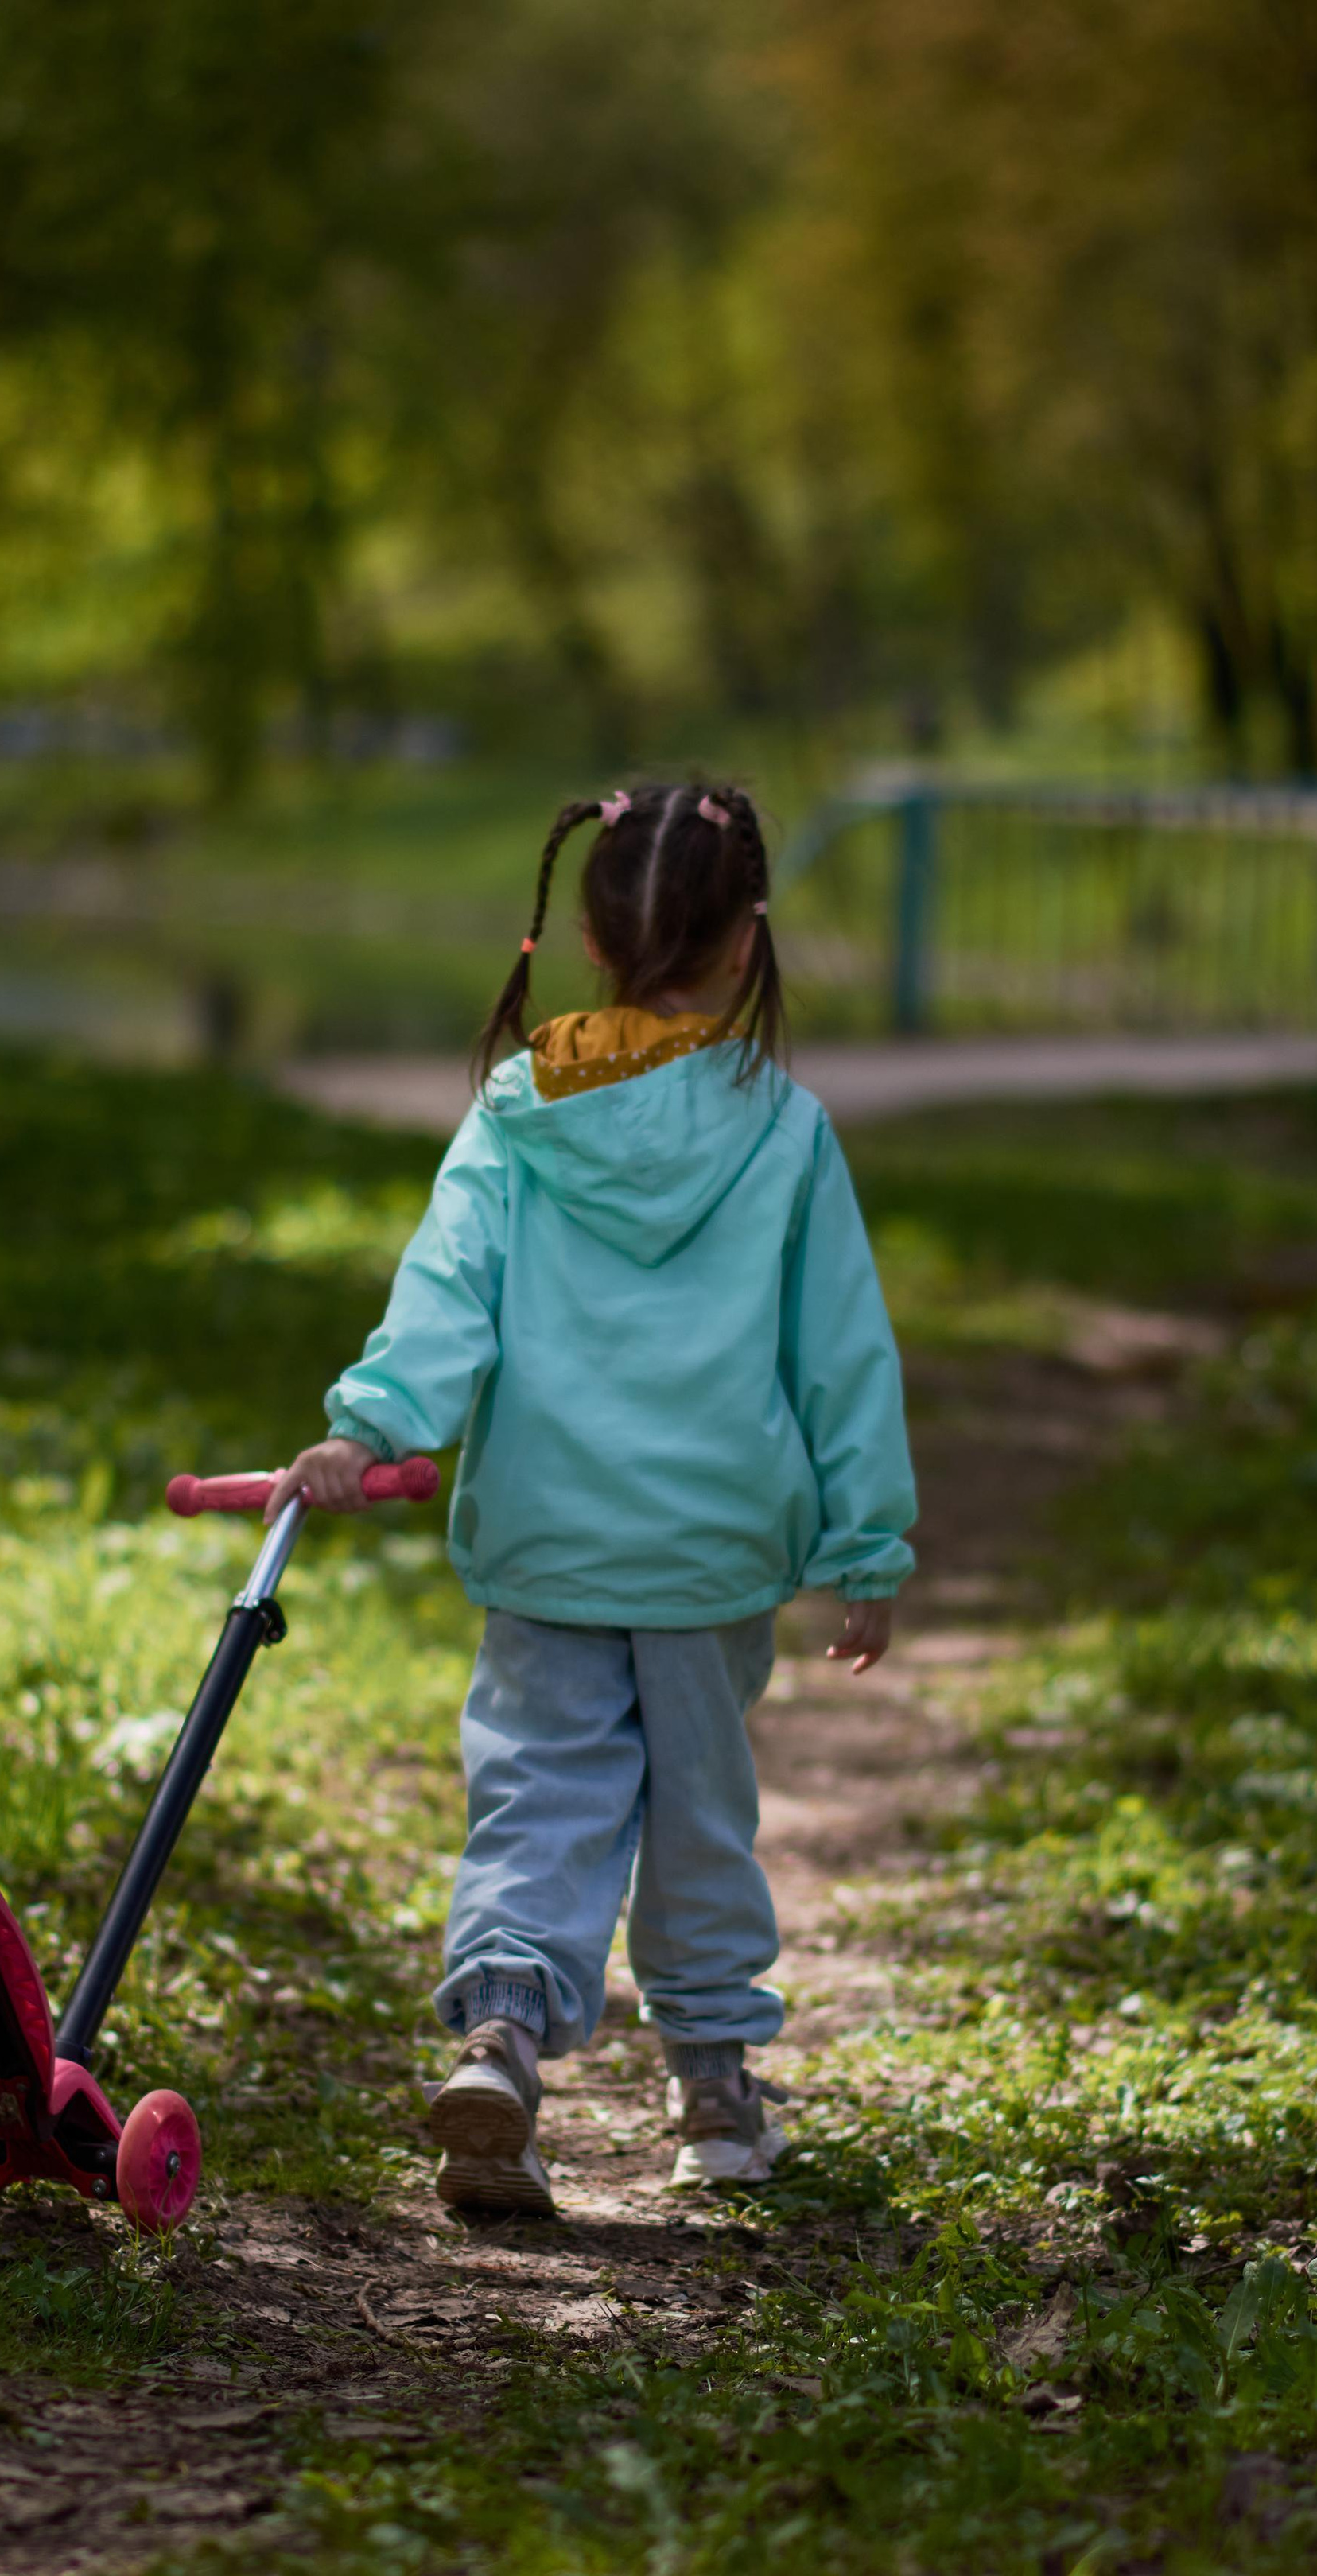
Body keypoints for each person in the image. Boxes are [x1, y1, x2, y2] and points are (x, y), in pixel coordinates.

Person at [264, 781, 915, 2211]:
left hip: (550, 1543)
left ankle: (501, 2039)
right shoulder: (782, 1129)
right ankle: (716, 2094)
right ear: (745, 942)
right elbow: (842, 1355)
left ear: (595, 939)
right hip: (708, 1551)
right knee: (698, 1813)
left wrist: (366, 1427)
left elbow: (446, 1297)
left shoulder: (521, 1107)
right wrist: (867, 1544)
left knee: (539, 1800)